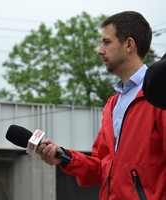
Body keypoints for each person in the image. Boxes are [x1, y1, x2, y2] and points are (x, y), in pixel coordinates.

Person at [36, 11, 166, 199]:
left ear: (129, 44)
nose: (100, 50)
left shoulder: (159, 96)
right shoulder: (112, 105)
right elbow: (100, 167)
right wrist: (64, 156)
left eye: (106, 42)